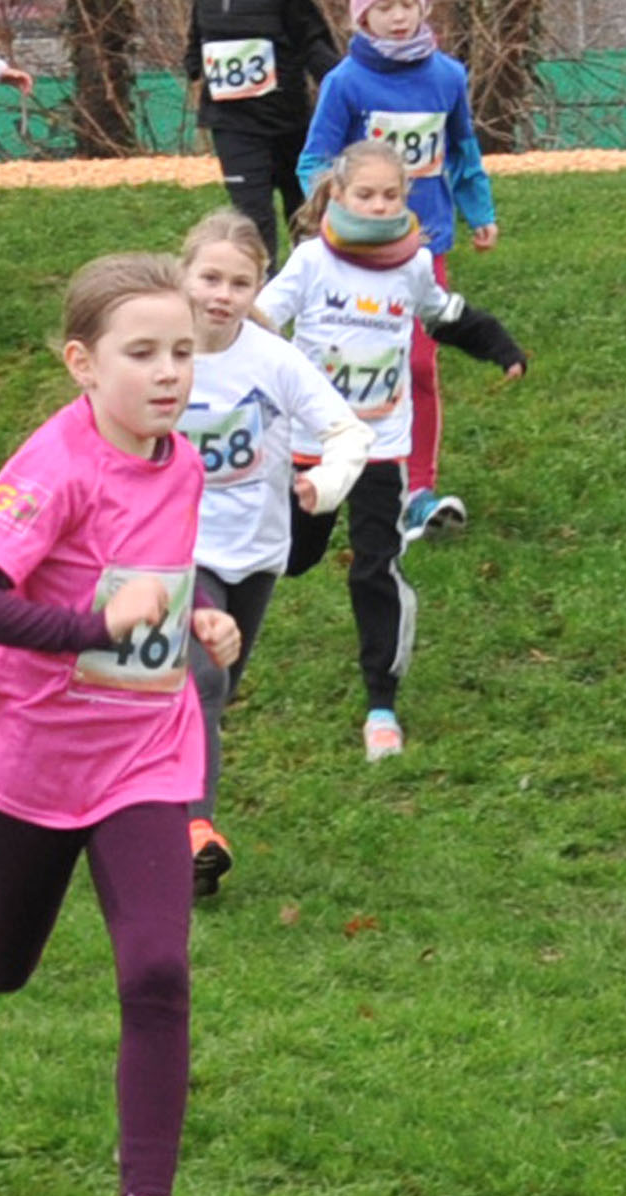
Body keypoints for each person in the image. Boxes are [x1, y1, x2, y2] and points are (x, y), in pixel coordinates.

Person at [0, 253, 242, 1196]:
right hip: (30, 759)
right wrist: (98, 628)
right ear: (83, 363)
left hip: (146, 752)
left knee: (156, 970)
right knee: (0, 968)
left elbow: (154, 580)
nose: (170, 372)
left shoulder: (178, 459)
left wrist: (198, 616)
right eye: (143, 353)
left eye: (182, 350)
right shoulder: (49, 467)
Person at [260, 139, 523, 761]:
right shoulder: (310, 262)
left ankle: (382, 704)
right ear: (338, 195)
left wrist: (500, 346)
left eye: (391, 196)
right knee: (294, 556)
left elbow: (445, 314)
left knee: (375, 567)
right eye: (365, 195)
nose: (378, 207)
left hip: (382, 447)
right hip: (311, 443)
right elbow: (261, 321)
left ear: (405, 199)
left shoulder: (414, 263)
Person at [176, 208, 370, 894]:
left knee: (215, 692)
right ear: (183, 275)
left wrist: (324, 482)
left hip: (255, 551)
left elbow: (350, 434)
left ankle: (152, 807)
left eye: (239, 282)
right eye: (209, 278)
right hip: (176, 548)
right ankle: (195, 833)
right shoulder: (159, 348)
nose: (221, 295)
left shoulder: (276, 361)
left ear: (259, 289)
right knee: (201, 680)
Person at [298, 0, 500, 542]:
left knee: (418, 363)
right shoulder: (345, 83)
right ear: (361, 17)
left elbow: (461, 149)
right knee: (349, 363)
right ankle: (324, 464)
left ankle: (418, 490)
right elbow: (314, 159)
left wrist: (479, 209)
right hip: (354, 251)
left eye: (408, 4)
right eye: (383, 6)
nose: (398, 17)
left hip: (423, 245)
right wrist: (332, 217)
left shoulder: (448, 76)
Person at [183, 0, 341, 264]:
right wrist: (193, 62)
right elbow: (199, 38)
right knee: (252, 218)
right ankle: (259, 293)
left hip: (288, 122)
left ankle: (308, 281)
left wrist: (346, 85)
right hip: (232, 124)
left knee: (304, 213)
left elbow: (313, 43)